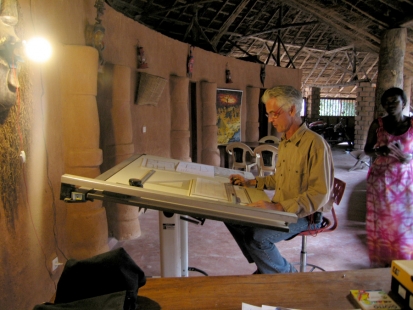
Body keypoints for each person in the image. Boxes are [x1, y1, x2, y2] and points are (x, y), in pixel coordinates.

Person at [226, 85, 334, 274]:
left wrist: (277, 208)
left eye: (274, 114)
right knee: (232, 217)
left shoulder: (315, 145)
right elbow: (280, 178)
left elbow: (319, 194)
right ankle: (267, 266)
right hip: (284, 207)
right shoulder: (285, 140)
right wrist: (252, 182)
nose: (271, 120)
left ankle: (287, 275)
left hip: (305, 215)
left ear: (292, 109)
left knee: (258, 237)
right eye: (269, 115)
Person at [363, 87, 413, 267]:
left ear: (404, 103)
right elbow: (367, 150)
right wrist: (379, 150)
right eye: (387, 102)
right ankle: (385, 260)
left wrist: (408, 157)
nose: (390, 105)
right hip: (381, 179)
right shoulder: (378, 124)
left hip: (406, 179)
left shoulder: (412, 123)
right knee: (384, 219)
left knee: (403, 220)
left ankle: (403, 260)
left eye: (395, 101)